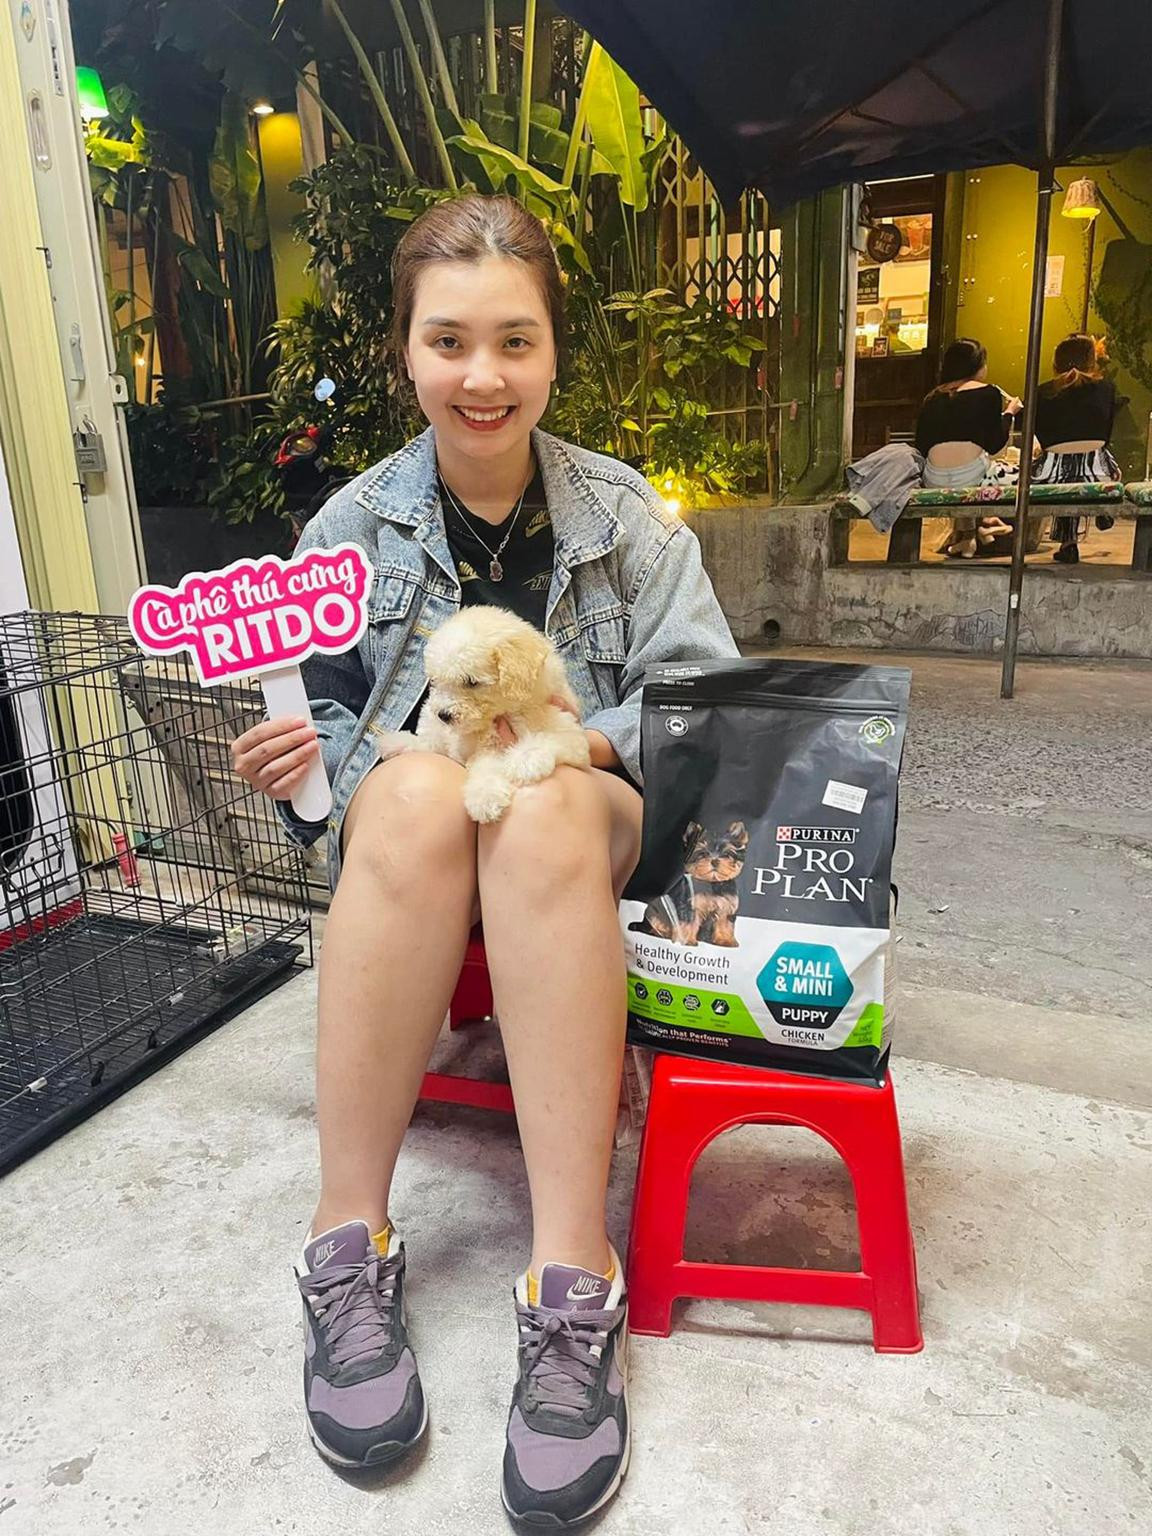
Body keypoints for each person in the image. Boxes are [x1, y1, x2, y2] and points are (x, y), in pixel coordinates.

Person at [229, 194, 737, 1525]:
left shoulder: (627, 519)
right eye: (448, 341)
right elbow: (316, 712)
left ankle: (573, 1281)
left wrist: (567, 743)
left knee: (543, 804)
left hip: (587, 826)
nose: (482, 375)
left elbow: (702, 702)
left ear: (553, 351)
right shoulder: (350, 527)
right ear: (406, 352)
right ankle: (347, 1243)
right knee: (408, 794)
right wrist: (299, 757)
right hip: (413, 837)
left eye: (515, 341)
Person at [914, 338, 1022, 558]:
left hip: (934, 479)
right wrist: (1009, 413)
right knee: (1006, 472)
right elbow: (995, 444)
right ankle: (986, 523)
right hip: (971, 477)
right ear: (978, 366)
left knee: (968, 472)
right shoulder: (989, 393)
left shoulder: (932, 398)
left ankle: (969, 537)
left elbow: (922, 446)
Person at [1032, 334, 1121, 564]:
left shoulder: (1042, 391)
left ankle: (1068, 543)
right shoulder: (1107, 388)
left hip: (1052, 471)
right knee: (1092, 464)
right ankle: (1102, 508)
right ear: (1091, 361)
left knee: (1066, 475)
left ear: (1056, 363)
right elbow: (1106, 433)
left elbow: (1040, 433)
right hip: (1098, 470)